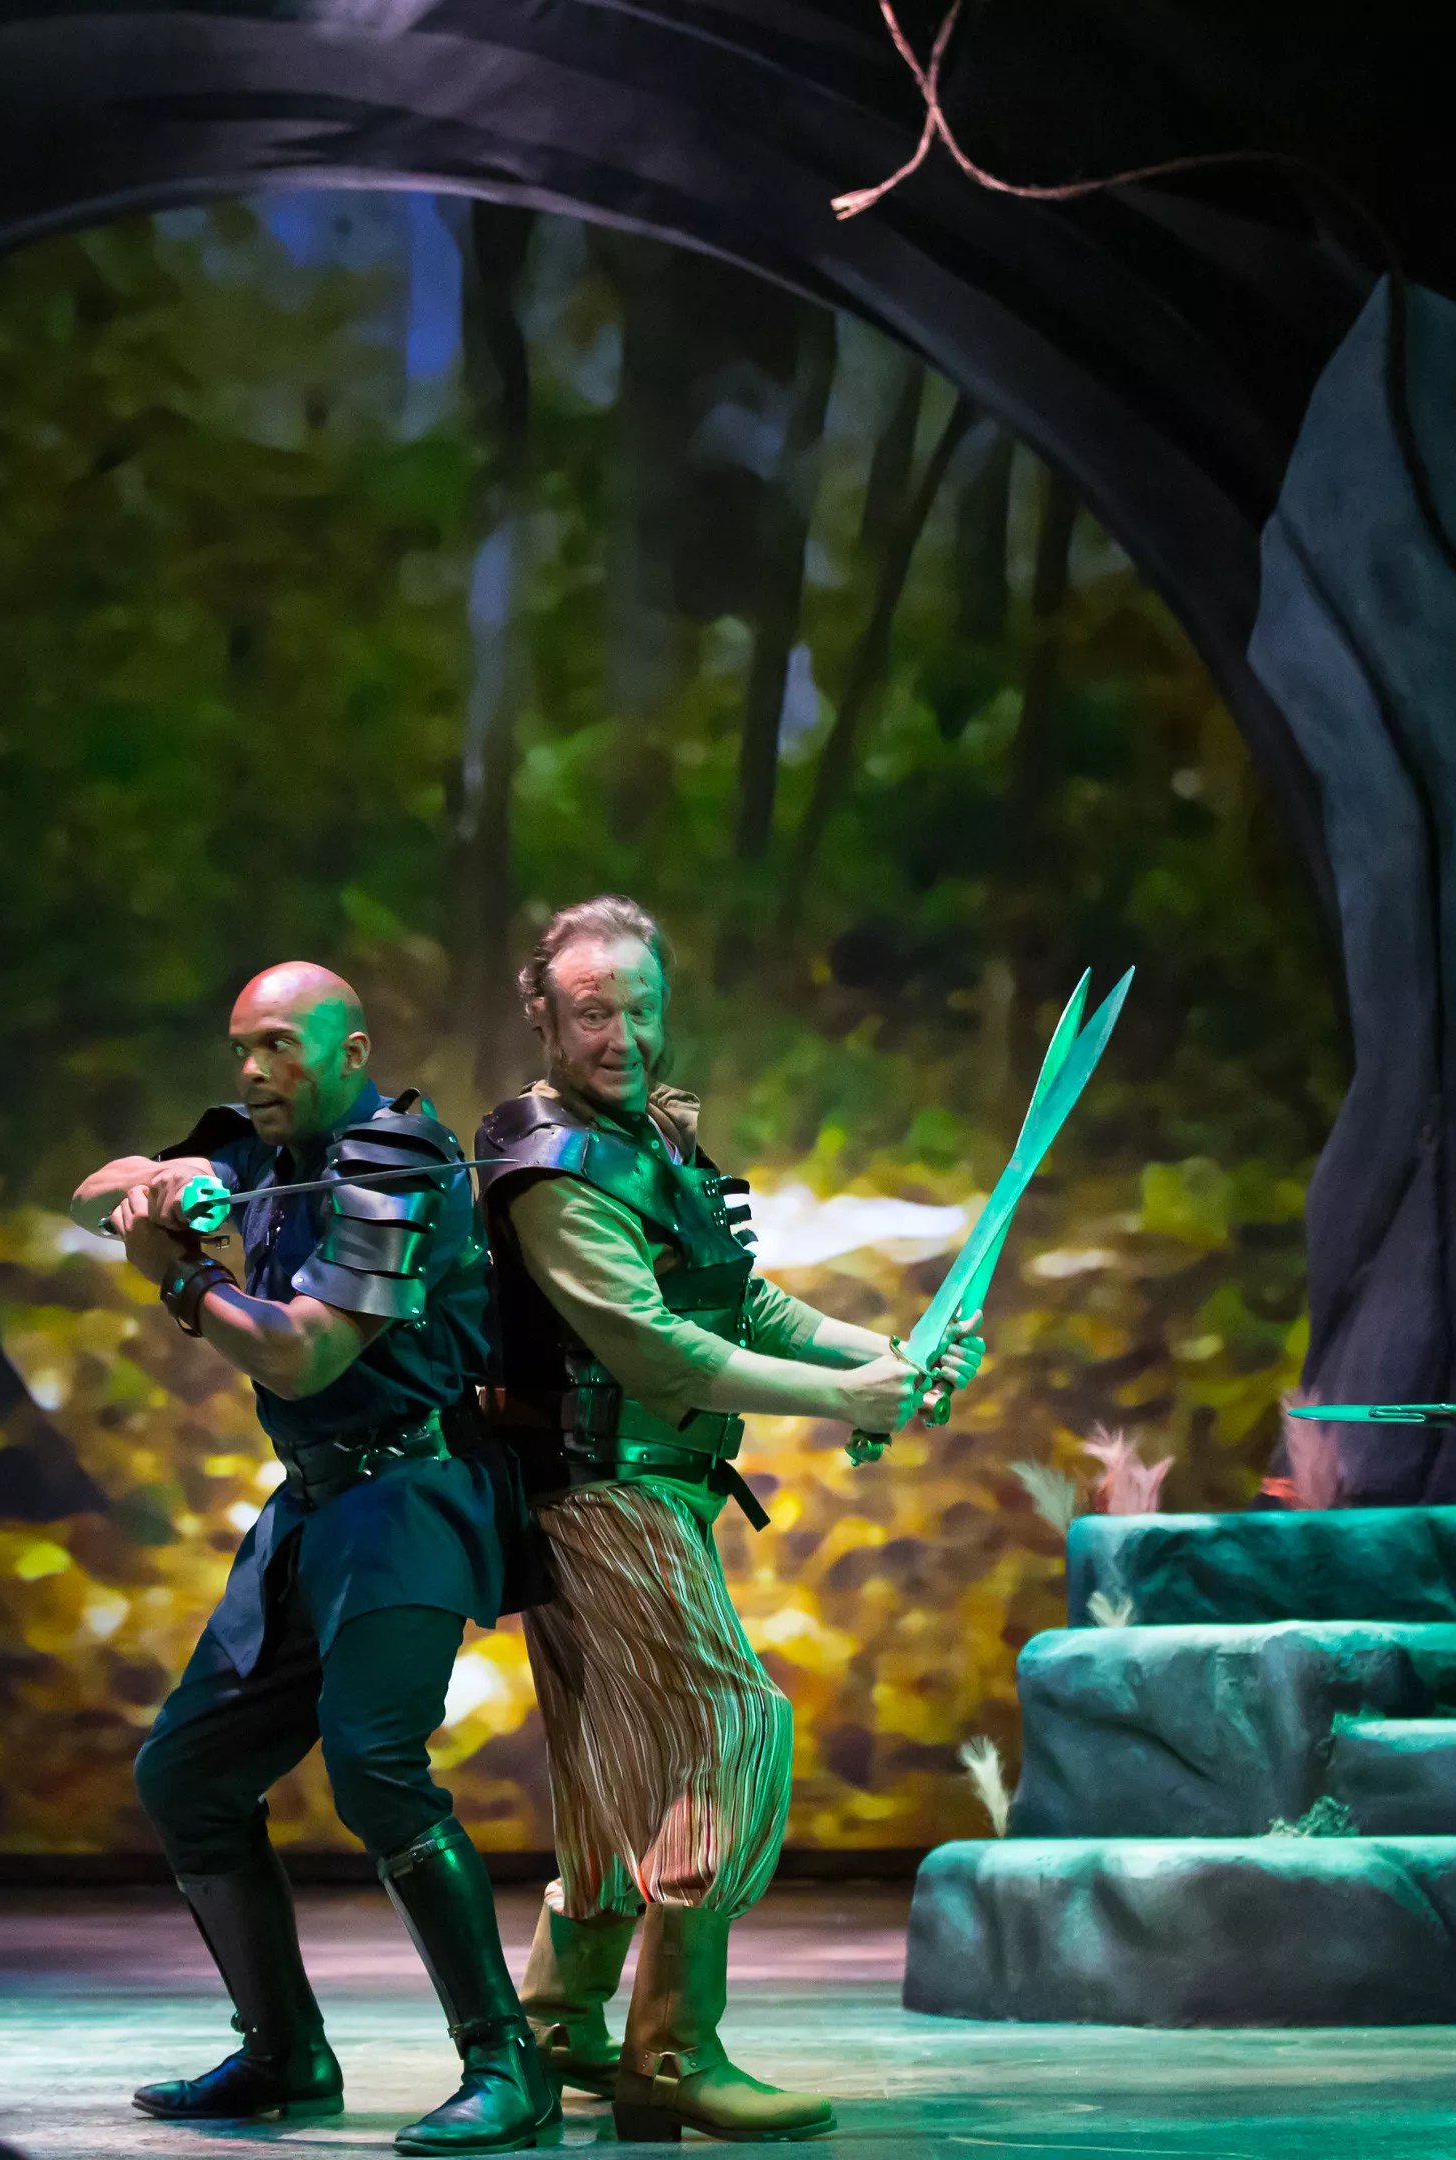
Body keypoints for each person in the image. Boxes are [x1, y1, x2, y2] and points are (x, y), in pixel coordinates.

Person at [474, 896, 980, 2143]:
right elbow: (658, 1353)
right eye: (595, 1013)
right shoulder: (550, 1167)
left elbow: (740, 1303)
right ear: (543, 1015)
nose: (625, 1037)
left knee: (620, 1768)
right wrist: (841, 1399)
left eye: (642, 1010)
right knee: (733, 1725)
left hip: (654, 1492)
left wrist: (888, 1356)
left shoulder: (647, 1140)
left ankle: (559, 2021)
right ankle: (671, 2051)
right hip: (601, 1493)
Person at [73, 962, 556, 2155]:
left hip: (413, 1498)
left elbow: (303, 1358)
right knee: (187, 1774)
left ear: (350, 1053)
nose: (253, 1069)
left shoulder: (396, 1161)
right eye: (243, 1046)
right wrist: (159, 1187)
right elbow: (97, 1190)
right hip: (313, 1510)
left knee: (375, 1765)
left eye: (280, 1045)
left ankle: (508, 2065)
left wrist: (184, 1277)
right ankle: (284, 2052)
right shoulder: (263, 1143)